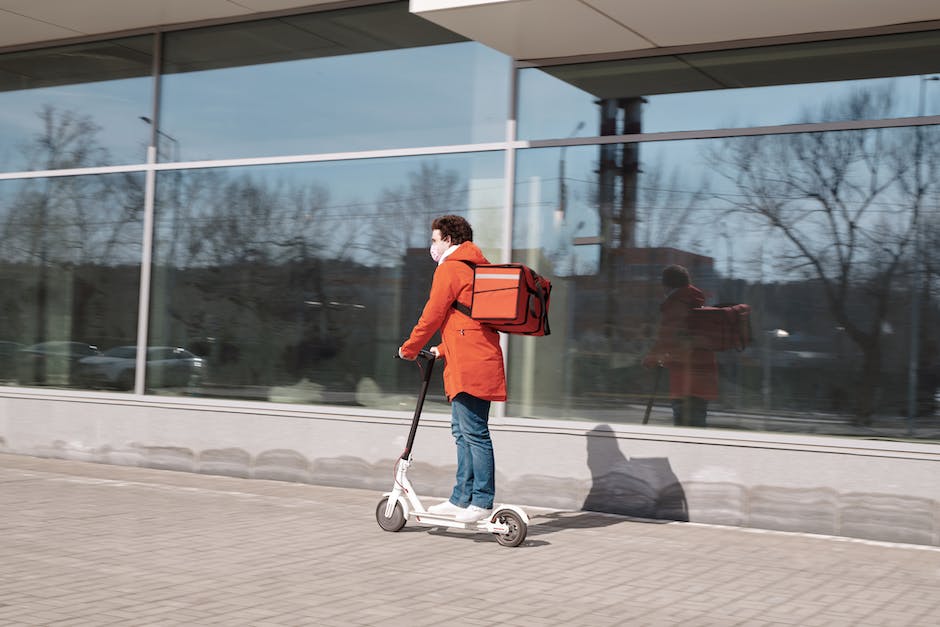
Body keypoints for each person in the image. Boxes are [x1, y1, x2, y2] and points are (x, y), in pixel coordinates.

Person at [398, 215, 507, 523]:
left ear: (448, 239)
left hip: (471, 365)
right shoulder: (476, 268)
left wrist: (409, 347)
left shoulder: (450, 268)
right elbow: (471, 322)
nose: (431, 246)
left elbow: (433, 314)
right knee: (463, 432)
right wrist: (442, 349)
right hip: (474, 357)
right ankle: (461, 498)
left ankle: (481, 501)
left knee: (474, 433)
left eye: (434, 240)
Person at [642, 264, 718, 427]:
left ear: (666, 285)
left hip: (685, 381)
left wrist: (650, 359)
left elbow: (667, 338)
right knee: (696, 431)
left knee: (686, 434)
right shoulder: (695, 302)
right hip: (702, 381)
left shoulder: (677, 303)